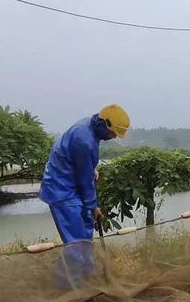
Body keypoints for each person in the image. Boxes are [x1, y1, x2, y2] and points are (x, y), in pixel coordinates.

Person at [39, 104, 130, 288]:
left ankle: (87, 277)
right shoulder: (84, 139)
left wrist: (91, 168)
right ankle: (68, 288)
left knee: (86, 233)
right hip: (62, 190)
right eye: (113, 133)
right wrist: (93, 206)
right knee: (76, 243)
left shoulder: (90, 128)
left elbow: (82, 166)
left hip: (70, 185)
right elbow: (84, 180)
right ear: (106, 124)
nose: (113, 137)